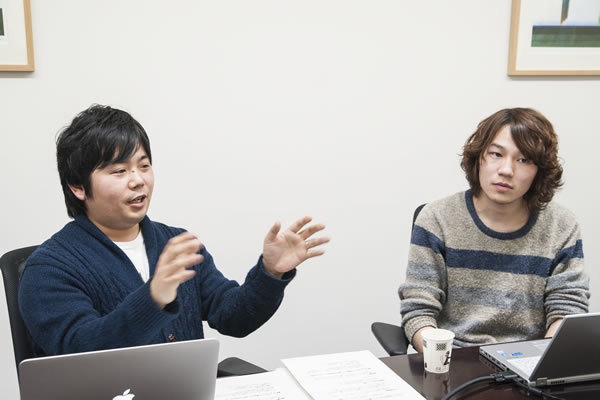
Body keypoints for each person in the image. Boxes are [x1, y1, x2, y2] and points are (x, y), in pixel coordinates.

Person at [18, 104, 329, 356]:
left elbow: (233, 317)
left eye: (143, 165)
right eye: (119, 171)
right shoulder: (48, 269)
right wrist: (153, 298)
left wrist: (270, 274)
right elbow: (82, 352)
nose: (137, 179)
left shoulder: (176, 243)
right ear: (77, 187)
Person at [399, 107, 589, 353]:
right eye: (496, 154)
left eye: (524, 160)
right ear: (478, 157)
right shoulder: (437, 218)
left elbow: (566, 309)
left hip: (528, 362)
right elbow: (418, 310)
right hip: (453, 358)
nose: (507, 170)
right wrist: (442, 360)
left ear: (539, 170)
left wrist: (542, 362)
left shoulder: (562, 225)